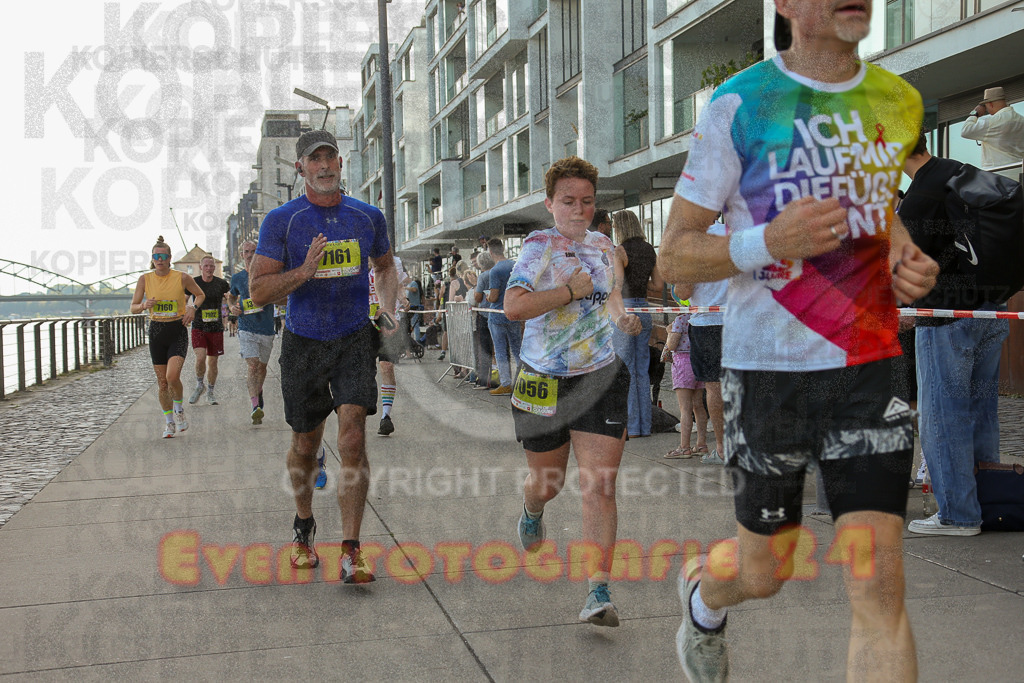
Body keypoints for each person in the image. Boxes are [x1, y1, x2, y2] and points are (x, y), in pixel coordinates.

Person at [658, 3, 938, 680]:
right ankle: (704, 593)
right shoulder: (741, 103)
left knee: (878, 589)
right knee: (765, 569)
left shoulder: (897, 100)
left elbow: (879, 213)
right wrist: (765, 242)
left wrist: (906, 258)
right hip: (769, 373)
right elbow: (673, 257)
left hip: (870, 369)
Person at [249, 128, 398, 583]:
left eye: (331, 157)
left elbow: (386, 266)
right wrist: (304, 272)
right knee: (305, 444)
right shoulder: (283, 221)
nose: (325, 166)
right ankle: (303, 528)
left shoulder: (367, 216)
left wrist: (388, 309)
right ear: (301, 168)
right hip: (303, 342)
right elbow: (258, 292)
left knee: (352, 436)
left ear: (340, 162)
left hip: (354, 337)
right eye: (315, 159)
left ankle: (351, 549)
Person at [504, 155, 642, 627]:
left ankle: (598, 591)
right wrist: (569, 292)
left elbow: (611, 298)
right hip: (543, 378)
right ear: (549, 203)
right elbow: (513, 307)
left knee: (599, 485)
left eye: (586, 201)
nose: (578, 209)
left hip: (600, 374)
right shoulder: (538, 246)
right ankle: (531, 510)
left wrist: (621, 317)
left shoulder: (605, 246)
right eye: (568, 201)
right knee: (549, 482)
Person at [899, 133, 1010, 536]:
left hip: (946, 320)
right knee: (982, 414)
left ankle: (958, 515)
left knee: (943, 418)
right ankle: (989, 503)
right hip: (991, 313)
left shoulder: (919, 196)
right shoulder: (961, 173)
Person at [129, 236, 206, 438]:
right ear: (152, 259)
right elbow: (133, 308)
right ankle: (169, 422)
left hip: (176, 330)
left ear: (169, 258)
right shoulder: (145, 279)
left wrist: (192, 308)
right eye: (156, 256)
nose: (159, 259)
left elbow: (200, 295)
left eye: (163, 256)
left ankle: (179, 410)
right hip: (156, 331)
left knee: (173, 377)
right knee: (162, 382)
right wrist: (143, 306)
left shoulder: (181, 278)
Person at [670, 248, 728, 465]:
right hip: (740, 318)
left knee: (714, 386)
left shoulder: (693, 245)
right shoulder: (738, 234)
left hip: (708, 323)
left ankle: (722, 449)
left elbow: (683, 292)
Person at [610, 209, 664, 438]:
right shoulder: (650, 250)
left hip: (625, 312)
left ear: (620, 227)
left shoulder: (619, 251)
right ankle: (645, 425)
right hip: (644, 311)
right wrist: (641, 285)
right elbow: (658, 286)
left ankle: (630, 426)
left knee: (625, 369)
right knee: (642, 370)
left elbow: (617, 285)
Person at [228, 240, 276, 425]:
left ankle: (258, 391)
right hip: (246, 327)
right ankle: (255, 406)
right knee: (253, 365)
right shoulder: (237, 278)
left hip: (266, 329)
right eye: (246, 251)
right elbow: (231, 296)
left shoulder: (269, 275)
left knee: (262, 368)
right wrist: (232, 307)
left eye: (253, 251)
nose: (249, 254)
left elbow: (279, 295)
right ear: (242, 255)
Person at [661, 312, 709, 458]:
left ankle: (684, 447)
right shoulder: (701, 318)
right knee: (698, 406)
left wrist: (669, 331)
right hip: (699, 362)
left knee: (685, 408)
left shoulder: (680, 320)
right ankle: (701, 444)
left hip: (682, 363)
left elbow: (672, 344)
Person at [187, 255, 230, 406]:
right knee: (200, 357)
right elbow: (183, 297)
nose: (209, 269)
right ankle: (200, 385)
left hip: (215, 327)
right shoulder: (194, 282)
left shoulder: (222, 283)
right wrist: (185, 310)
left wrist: (233, 304)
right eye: (206, 266)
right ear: (201, 267)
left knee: (213, 361)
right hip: (198, 326)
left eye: (212, 266)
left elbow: (231, 297)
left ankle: (210, 392)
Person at [486, 237, 522, 395]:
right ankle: (522, 381)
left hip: (497, 315)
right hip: (514, 312)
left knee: (500, 350)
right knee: (517, 349)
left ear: (490, 252)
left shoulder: (495, 270)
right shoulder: (515, 265)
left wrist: (488, 297)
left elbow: (493, 296)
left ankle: (506, 383)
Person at [960, 86, 1024, 170]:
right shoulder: (1021, 120)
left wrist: (974, 114)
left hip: (999, 172)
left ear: (990, 104)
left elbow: (965, 131)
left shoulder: (992, 121)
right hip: (1019, 170)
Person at [473, 252, 497, 389]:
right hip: (499, 313)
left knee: (485, 349)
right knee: (499, 348)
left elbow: (477, 297)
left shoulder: (483, 276)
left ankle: (484, 380)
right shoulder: (498, 272)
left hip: (484, 314)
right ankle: (502, 379)